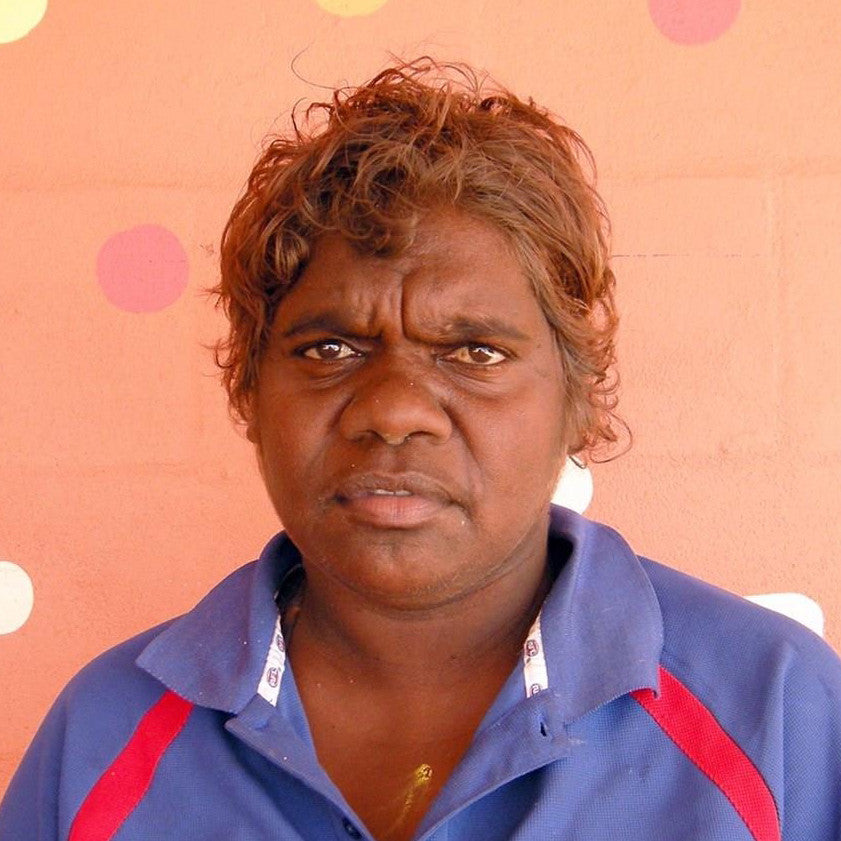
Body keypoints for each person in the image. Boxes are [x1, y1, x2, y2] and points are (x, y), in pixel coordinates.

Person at [2, 57, 840, 841]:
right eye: (329, 348)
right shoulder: (102, 735)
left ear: (576, 398)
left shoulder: (773, 707)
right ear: (248, 393)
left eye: (473, 350)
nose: (395, 411)